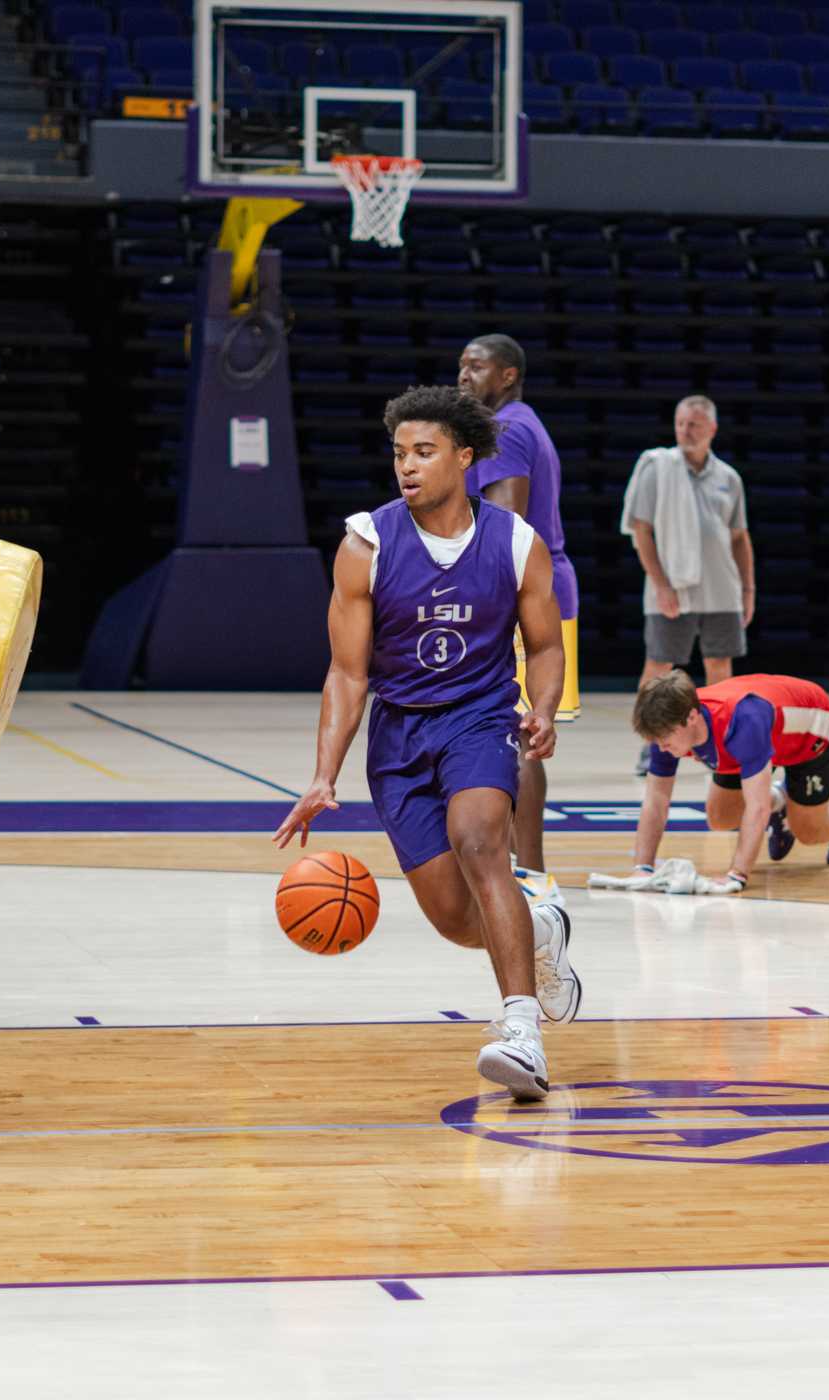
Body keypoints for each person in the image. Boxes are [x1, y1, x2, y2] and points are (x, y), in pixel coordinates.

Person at [273, 384, 578, 1101]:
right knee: (452, 918)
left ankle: (521, 1033)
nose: (406, 466)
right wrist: (324, 774)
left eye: (424, 451)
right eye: (399, 453)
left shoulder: (514, 541)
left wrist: (543, 706)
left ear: (464, 458)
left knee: (480, 841)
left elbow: (542, 643)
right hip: (399, 732)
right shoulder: (365, 544)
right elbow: (347, 675)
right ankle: (540, 932)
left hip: (478, 716)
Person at [456, 335, 576, 895]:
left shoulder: (506, 430)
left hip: (524, 594)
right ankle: (519, 867)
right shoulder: (522, 423)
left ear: (506, 376)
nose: (463, 374)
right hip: (542, 588)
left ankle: (525, 872)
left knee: (518, 735)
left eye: (476, 366)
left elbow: (505, 523)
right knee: (518, 734)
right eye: (461, 365)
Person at [626, 670, 829, 891]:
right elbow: (656, 799)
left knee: (808, 831)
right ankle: (779, 801)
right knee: (720, 816)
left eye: (665, 739)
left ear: (691, 718)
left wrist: (736, 874)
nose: (660, 747)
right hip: (763, 731)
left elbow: (757, 807)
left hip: (809, 729)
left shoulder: (741, 722)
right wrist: (643, 868)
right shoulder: (666, 728)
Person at [622, 395, 754, 774]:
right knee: (658, 668)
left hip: (720, 589)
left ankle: (723, 744)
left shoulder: (729, 477)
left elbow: (739, 537)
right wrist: (661, 584)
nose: (685, 431)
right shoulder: (657, 467)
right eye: (680, 423)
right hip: (672, 589)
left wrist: (747, 590)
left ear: (712, 428)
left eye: (694, 424)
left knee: (720, 668)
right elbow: (641, 530)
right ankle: (652, 746)